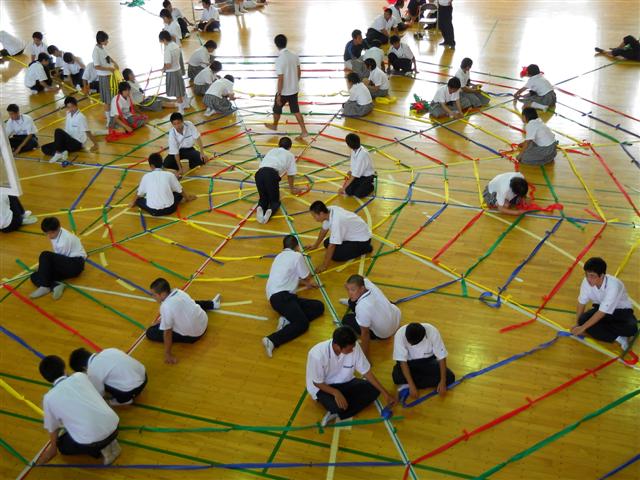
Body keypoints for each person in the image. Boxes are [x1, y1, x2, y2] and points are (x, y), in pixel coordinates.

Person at [36, 356, 121, 466]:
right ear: (64, 368)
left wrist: (53, 448)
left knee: (62, 445)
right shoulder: (80, 376)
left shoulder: (49, 398)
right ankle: (109, 443)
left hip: (95, 441)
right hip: (115, 426)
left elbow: (53, 427)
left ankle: (101, 451)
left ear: (46, 378)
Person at [306, 326, 396, 426]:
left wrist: (385, 394)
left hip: (345, 382)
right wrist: (336, 392)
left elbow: (366, 372)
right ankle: (337, 409)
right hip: (324, 387)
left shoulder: (353, 346)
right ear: (337, 346)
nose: (353, 350)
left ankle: (340, 409)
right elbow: (317, 383)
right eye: (350, 349)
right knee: (338, 407)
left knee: (374, 390)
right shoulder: (317, 355)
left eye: (353, 346)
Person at [262, 235, 324, 357]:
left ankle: (287, 319)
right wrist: (313, 275)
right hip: (282, 297)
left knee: (318, 307)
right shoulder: (297, 256)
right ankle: (272, 340)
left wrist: (306, 284)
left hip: (279, 297)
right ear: (297, 246)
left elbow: (289, 276)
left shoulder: (279, 257)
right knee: (302, 324)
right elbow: (306, 276)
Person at [146, 277, 221, 364]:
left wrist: (168, 354)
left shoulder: (165, 307)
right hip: (204, 321)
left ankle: (212, 304)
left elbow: (167, 333)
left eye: (154, 295)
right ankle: (213, 304)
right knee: (192, 302)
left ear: (162, 294)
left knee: (150, 332)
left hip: (194, 335)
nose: (153, 297)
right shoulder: (179, 292)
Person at [571, 257, 638, 350]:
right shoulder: (586, 282)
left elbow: (602, 313)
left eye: (592, 276)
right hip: (600, 308)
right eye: (586, 275)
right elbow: (581, 303)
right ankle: (618, 338)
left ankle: (600, 330)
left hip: (621, 311)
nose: (588, 279)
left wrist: (582, 328)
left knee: (631, 329)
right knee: (582, 320)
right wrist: (578, 324)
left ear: (602, 275)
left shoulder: (614, 285)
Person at [340, 275, 400, 357]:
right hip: (396, 319)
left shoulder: (361, 307)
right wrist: (349, 285)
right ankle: (359, 309)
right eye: (348, 289)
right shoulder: (368, 284)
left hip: (384, 334)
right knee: (353, 301)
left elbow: (365, 333)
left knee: (347, 319)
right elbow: (362, 277)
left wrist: (365, 357)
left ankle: (361, 315)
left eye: (353, 290)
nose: (349, 293)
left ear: (362, 288)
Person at [392, 322, 455, 399]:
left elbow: (442, 357)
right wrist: (411, 385)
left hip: (427, 361)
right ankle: (411, 382)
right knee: (396, 376)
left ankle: (408, 382)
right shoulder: (399, 334)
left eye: (413, 344)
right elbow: (402, 362)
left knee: (449, 377)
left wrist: (443, 381)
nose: (410, 345)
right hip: (409, 363)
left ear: (423, 338)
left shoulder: (432, 331)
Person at [264, 34, 309, 140]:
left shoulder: (279, 60)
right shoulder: (294, 56)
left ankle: (275, 125)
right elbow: (299, 71)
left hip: (284, 91)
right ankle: (304, 131)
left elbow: (281, 78)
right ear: (286, 42)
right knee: (296, 111)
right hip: (294, 90)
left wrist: (279, 94)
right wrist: (295, 83)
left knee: (276, 108)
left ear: (276, 45)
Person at [306, 200, 373, 272]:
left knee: (335, 256)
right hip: (353, 235)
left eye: (314, 216)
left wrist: (324, 266)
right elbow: (324, 229)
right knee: (326, 243)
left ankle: (366, 248)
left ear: (321, 213)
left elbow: (332, 246)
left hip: (362, 240)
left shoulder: (337, 222)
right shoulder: (329, 210)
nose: (314, 218)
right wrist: (315, 245)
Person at [29, 216, 86, 300]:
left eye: (51, 233)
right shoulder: (57, 233)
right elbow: (58, 259)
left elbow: (60, 259)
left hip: (75, 264)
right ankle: (56, 286)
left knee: (45, 255)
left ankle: (45, 287)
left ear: (58, 228)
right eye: (46, 233)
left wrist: (43, 267)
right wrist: (43, 268)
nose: (49, 236)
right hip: (66, 264)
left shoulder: (64, 241)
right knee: (34, 276)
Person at [69, 348, 147, 406]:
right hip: (144, 375)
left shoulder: (92, 371)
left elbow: (99, 393)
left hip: (132, 390)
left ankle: (123, 400)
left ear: (84, 368)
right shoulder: (108, 350)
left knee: (97, 384)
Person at [254, 136, 302, 223]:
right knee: (275, 202)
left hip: (259, 174)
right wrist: (292, 189)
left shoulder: (272, 150)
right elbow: (290, 175)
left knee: (263, 198)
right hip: (271, 175)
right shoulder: (290, 155)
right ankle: (270, 211)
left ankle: (260, 207)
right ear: (290, 147)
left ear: (278, 145)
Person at [130, 153, 195, 216]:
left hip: (153, 211)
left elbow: (139, 193)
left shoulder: (146, 176)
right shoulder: (170, 175)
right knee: (178, 194)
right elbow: (180, 190)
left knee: (138, 200)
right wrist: (188, 198)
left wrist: (132, 202)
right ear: (162, 163)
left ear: (152, 166)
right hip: (169, 209)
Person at [41, 96, 99, 163]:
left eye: (72, 107)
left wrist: (96, 144)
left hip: (76, 143)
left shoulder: (81, 117)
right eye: (68, 107)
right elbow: (64, 110)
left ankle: (58, 153)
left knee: (58, 131)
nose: (71, 109)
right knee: (44, 148)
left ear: (76, 105)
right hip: (68, 141)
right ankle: (62, 152)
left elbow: (87, 131)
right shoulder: (68, 113)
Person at [159, 30, 191, 114]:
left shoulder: (168, 50)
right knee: (180, 89)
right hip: (178, 70)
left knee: (177, 93)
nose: (162, 43)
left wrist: (163, 69)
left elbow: (168, 65)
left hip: (172, 73)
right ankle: (186, 104)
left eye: (161, 41)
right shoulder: (176, 45)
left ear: (164, 39)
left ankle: (181, 110)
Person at [93, 31, 120, 128]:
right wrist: (109, 68)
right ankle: (109, 121)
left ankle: (113, 118)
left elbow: (107, 57)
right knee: (107, 100)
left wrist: (114, 62)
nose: (107, 42)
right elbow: (97, 66)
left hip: (110, 76)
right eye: (106, 40)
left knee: (112, 98)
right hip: (104, 77)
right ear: (101, 41)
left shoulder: (102, 48)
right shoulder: (95, 51)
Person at [339, 133, 375, 198]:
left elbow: (354, 176)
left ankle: (371, 186)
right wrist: (351, 171)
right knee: (349, 191)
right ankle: (361, 186)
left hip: (367, 177)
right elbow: (353, 164)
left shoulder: (362, 154)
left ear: (349, 145)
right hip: (359, 175)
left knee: (358, 194)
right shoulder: (354, 150)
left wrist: (343, 188)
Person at [160, 7, 185, 74]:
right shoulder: (166, 24)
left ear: (166, 17)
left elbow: (174, 39)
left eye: (163, 19)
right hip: (169, 46)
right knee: (169, 64)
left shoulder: (175, 25)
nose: (163, 21)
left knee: (176, 67)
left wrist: (166, 36)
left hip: (174, 49)